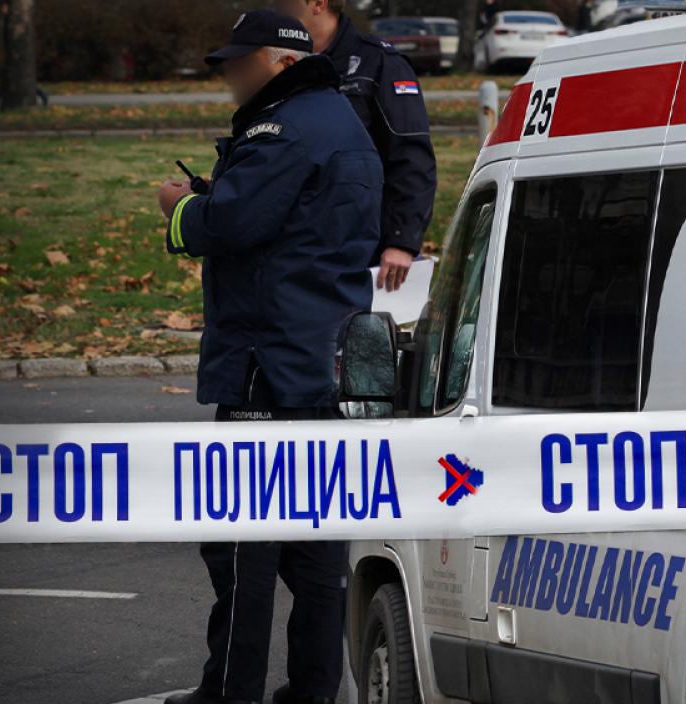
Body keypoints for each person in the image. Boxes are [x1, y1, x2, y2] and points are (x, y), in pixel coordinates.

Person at [156, 10, 383, 704]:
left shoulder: (279, 130)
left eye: (240, 60)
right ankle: (314, 689)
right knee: (316, 551)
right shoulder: (341, 121)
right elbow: (298, 225)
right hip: (325, 364)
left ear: (282, 62)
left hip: (267, 365)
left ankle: (232, 692)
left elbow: (234, 223)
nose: (229, 72)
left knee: (241, 549)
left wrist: (180, 209)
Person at [273, 0, 436, 293]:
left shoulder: (379, 62)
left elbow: (411, 156)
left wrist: (401, 241)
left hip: (361, 248)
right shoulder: (279, 60)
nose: (277, 8)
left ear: (318, 4)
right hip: (295, 246)